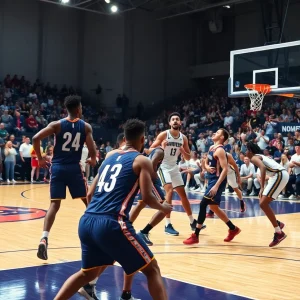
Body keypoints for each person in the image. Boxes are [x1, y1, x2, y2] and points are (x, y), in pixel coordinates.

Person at [54, 119, 172, 300]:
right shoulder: (142, 160)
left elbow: (90, 193)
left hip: (86, 221)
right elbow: (147, 198)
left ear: (124, 138)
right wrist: (163, 207)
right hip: (111, 223)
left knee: (87, 274)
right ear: (142, 140)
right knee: (152, 269)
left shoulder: (109, 157)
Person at [32, 95, 96, 261]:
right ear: (77, 109)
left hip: (58, 168)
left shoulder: (57, 125)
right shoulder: (85, 126)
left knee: (54, 204)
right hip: (74, 168)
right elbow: (91, 147)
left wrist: (39, 158)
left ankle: (44, 238)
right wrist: (94, 159)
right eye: (81, 107)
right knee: (88, 200)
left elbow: (35, 138)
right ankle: (98, 233)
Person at [183, 129, 241, 245]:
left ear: (222, 138)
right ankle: (233, 229)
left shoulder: (220, 150)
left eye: (218, 133)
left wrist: (216, 186)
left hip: (217, 182)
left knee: (203, 204)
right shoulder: (211, 148)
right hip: (211, 180)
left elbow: (225, 169)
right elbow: (205, 161)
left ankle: (196, 235)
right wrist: (206, 167)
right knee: (214, 208)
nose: (215, 133)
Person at [150, 112, 196, 236]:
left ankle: (192, 222)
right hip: (163, 166)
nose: (175, 121)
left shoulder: (183, 138)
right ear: (170, 123)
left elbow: (187, 157)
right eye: (173, 119)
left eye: (177, 119)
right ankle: (167, 224)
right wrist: (161, 147)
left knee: (183, 195)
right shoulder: (164, 134)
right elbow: (149, 150)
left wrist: (183, 152)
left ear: (180, 122)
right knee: (169, 191)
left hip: (174, 167)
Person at [245, 142, 289, 247]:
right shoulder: (260, 156)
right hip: (276, 176)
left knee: (263, 203)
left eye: (246, 150)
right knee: (262, 203)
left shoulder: (254, 157)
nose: (245, 152)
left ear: (250, 151)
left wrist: (262, 187)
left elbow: (263, 168)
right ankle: (278, 224)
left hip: (279, 175)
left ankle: (279, 232)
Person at [207, 152, 246, 217]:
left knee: (235, 189)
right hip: (220, 173)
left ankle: (241, 201)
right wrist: (207, 167)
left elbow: (235, 166)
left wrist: (238, 177)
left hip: (229, 172)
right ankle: (211, 211)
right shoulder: (213, 153)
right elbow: (207, 162)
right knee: (217, 190)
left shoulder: (227, 155)